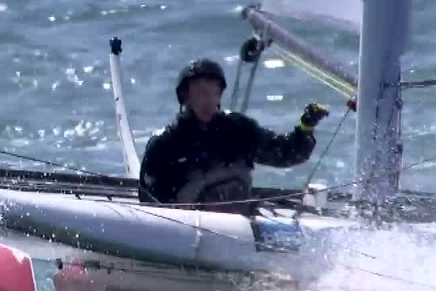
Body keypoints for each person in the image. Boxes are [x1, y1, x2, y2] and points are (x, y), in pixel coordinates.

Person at [138, 58, 329, 214]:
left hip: (238, 225)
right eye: (202, 93)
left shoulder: (238, 129)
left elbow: (284, 154)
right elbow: (150, 200)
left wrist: (305, 128)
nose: (209, 101)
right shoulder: (164, 143)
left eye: (215, 93)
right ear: (185, 96)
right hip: (187, 225)